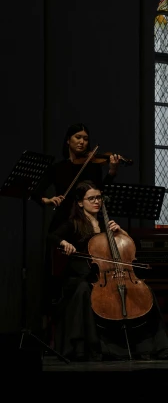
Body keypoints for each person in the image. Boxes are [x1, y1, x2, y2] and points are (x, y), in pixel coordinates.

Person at [47, 180, 168, 361]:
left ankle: (158, 346)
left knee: (145, 293)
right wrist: (64, 242)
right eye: (91, 198)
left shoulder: (108, 224)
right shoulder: (73, 224)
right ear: (81, 202)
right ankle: (90, 347)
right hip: (83, 276)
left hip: (110, 275)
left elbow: (131, 247)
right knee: (83, 289)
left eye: (99, 198)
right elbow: (51, 236)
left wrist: (122, 232)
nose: (97, 201)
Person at [31, 122, 122, 322]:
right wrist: (48, 200)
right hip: (64, 224)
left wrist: (112, 173)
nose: (82, 141)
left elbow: (99, 193)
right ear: (68, 141)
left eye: (85, 138)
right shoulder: (58, 168)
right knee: (56, 274)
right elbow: (36, 192)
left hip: (85, 225)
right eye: (77, 137)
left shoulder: (92, 166)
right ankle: (55, 319)